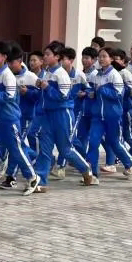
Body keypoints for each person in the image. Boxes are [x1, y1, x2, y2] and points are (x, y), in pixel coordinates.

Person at [0, 41, 40, 196]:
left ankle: (32, 177)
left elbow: (9, 97)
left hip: (9, 119)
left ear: (4, 57)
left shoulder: (7, 75)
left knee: (16, 149)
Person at [34, 41, 92, 191]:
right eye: (44, 54)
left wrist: (47, 88)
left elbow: (63, 96)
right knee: (45, 149)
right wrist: (40, 86)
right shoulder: (47, 72)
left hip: (62, 114)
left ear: (57, 57)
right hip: (47, 115)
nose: (45, 57)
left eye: (48, 54)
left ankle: (85, 168)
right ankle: (41, 181)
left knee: (65, 149)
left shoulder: (61, 74)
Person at [86, 47, 132, 184]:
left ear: (110, 59)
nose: (101, 59)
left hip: (113, 116)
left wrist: (102, 90)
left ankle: (130, 163)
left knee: (114, 142)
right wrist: (91, 93)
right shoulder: (96, 75)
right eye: (100, 56)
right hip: (98, 116)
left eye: (104, 56)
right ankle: (92, 175)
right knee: (93, 142)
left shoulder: (115, 75)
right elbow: (91, 88)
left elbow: (118, 95)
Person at [1, 44, 40, 189]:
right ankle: (36, 157)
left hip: (26, 117)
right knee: (18, 145)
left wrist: (28, 93)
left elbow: (39, 96)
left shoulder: (31, 77)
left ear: (20, 61)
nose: (10, 65)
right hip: (11, 117)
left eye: (12, 62)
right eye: (8, 63)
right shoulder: (6, 75)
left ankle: (11, 176)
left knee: (16, 146)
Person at [52, 47, 88, 179]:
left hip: (76, 110)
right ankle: (84, 158)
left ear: (71, 60)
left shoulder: (79, 75)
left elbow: (89, 89)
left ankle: (61, 166)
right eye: (60, 59)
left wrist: (83, 93)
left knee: (68, 139)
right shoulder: (57, 74)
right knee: (72, 139)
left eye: (64, 59)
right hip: (62, 110)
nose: (61, 62)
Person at [26, 50, 45, 154]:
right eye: (30, 60)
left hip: (41, 112)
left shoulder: (45, 76)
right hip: (29, 111)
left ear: (41, 62)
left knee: (32, 134)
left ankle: (37, 157)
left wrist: (27, 92)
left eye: (34, 60)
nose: (31, 63)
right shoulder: (27, 75)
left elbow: (40, 95)